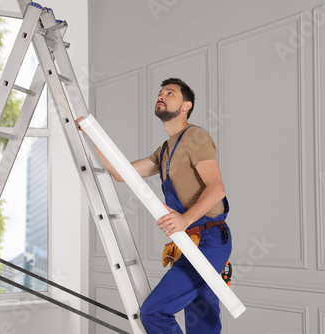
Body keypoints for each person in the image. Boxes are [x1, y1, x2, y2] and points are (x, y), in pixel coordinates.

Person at [81, 78, 231, 333]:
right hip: (189, 241)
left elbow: (217, 188)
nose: (161, 96)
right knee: (203, 325)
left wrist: (184, 220)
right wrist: (90, 133)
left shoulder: (195, 137)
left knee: (154, 312)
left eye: (170, 93)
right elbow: (121, 173)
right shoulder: (164, 151)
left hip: (209, 239)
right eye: (160, 93)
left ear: (186, 106)